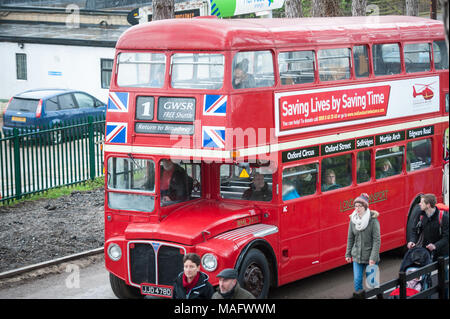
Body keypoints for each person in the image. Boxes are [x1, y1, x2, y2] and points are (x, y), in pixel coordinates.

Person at [345, 193, 381, 292]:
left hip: (370, 256)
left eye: (360, 206)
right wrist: (348, 254)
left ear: (365, 207)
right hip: (357, 256)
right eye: (356, 206)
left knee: (372, 283)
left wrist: (373, 258)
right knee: (357, 280)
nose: (357, 208)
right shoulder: (353, 220)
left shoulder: (373, 221)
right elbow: (350, 238)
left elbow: (377, 240)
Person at [407, 194, 449, 260]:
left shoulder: (443, 217)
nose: (419, 204)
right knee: (426, 269)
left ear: (428, 205)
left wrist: (435, 246)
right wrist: (412, 241)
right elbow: (414, 230)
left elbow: (446, 237)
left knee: (443, 270)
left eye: (421, 202)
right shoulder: (420, 215)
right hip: (427, 251)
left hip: (442, 252)